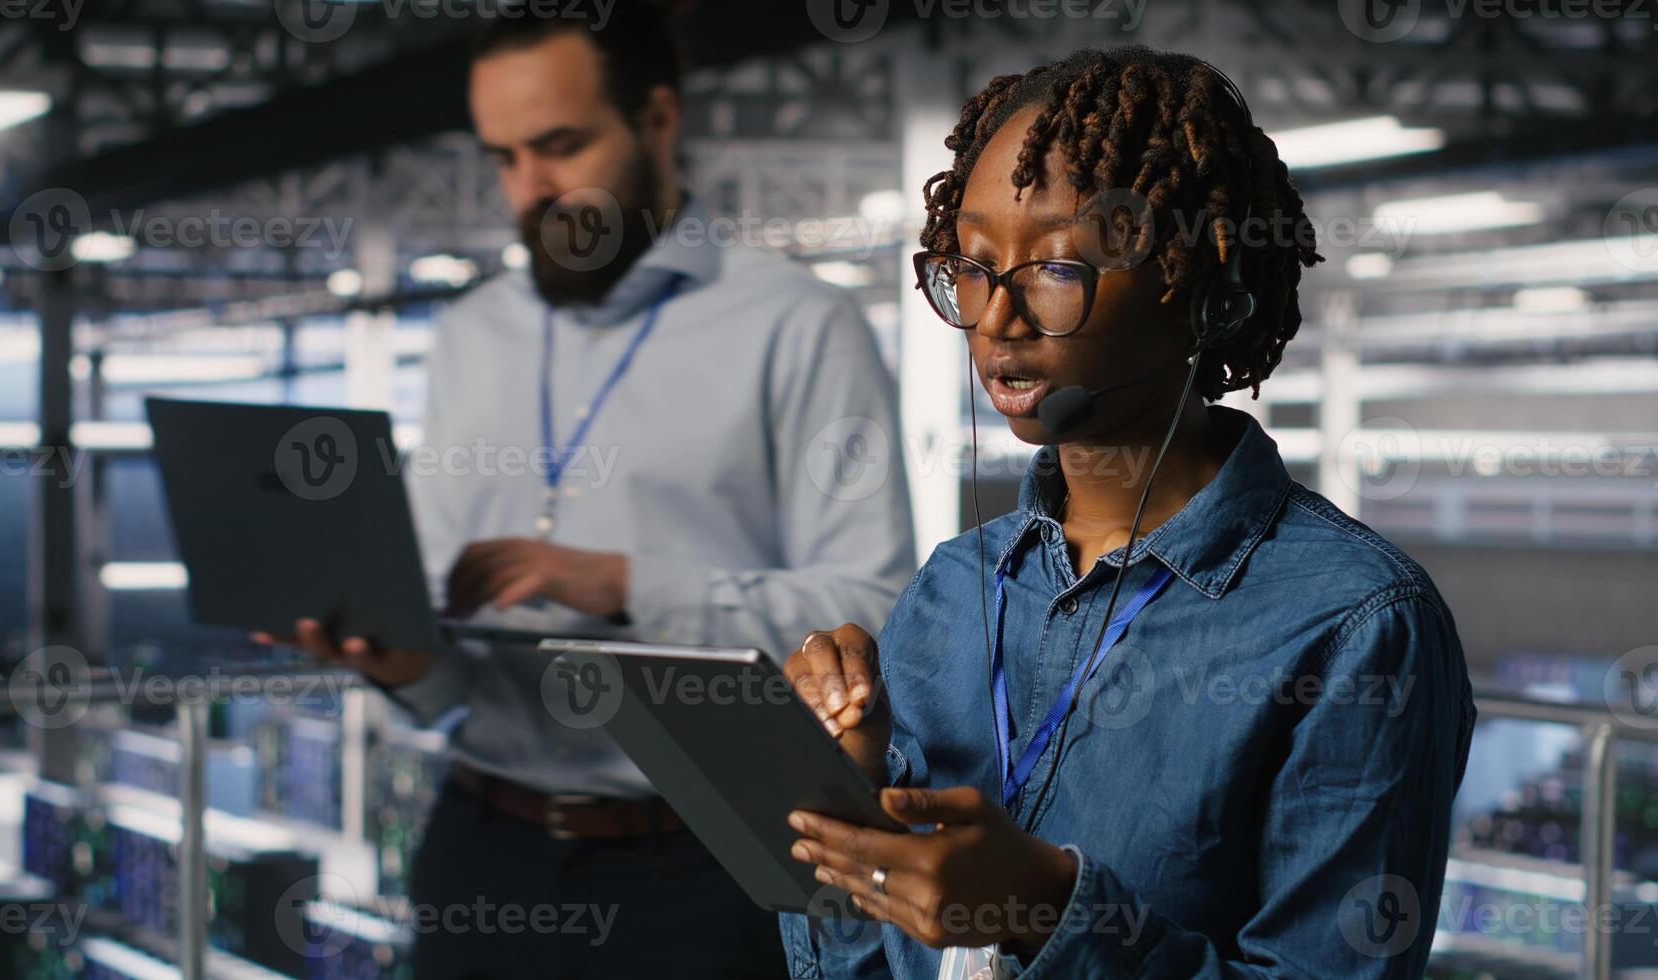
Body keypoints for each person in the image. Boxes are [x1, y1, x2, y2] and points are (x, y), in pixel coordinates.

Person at [778, 46, 1476, 979]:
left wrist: (1045, 908)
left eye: (1057, 266)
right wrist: (846, 791)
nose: (996, 319)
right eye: (976, 267)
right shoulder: (955, 586)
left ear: (1204, 288)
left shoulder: (1355, 626)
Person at [264, 5, 916, 977]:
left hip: (704, 865)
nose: (530, 187)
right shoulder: (470, 335)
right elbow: (446, 679)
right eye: (503, 156)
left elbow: (874, 607)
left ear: (655, 121)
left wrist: (619, 582)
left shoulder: (794, 325)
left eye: (560, 145)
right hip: (481, 845)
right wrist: (395, 659)